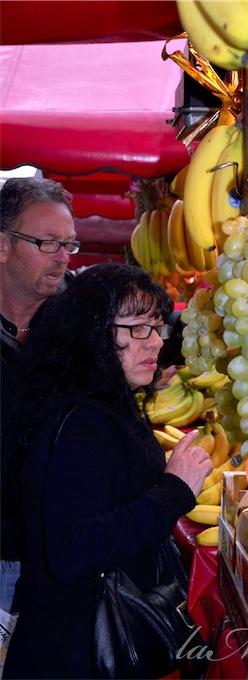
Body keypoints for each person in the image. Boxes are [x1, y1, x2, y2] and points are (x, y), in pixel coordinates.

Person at [3, 263, 212, 679]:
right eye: (136, 328)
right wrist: (175, 488)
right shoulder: (83, 419)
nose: (153, 342)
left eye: (156, 327)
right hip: (77, 653)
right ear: (93, 334)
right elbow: (73, 548)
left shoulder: (104, 403)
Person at [0, 177, 77, 615]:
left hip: (58, 557)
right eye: (47, 243)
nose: (62, 258)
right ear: (2, 246)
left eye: (69, 245)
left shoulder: (79, 327)